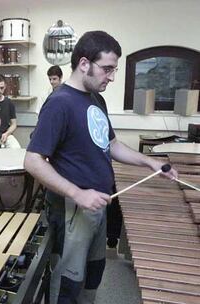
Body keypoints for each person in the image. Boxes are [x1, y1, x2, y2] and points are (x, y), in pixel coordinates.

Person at [24, 31, 177, 304]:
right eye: (107, 69)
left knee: (93, 274)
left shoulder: (97, 98)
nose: (112, 77)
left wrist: (150, 162)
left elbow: (112, 144)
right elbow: (33, 160)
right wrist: (77, 193)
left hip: (98, 206)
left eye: (114, 69)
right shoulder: (59, 103)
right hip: (73, 210)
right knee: (67, 283)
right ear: (84, 63)